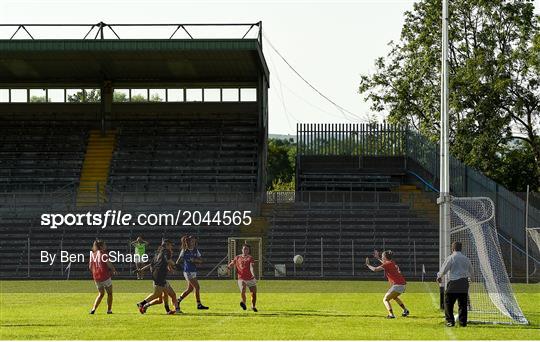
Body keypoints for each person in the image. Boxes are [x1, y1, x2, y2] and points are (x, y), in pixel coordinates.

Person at [136, 240, 180, 314]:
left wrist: (141, 269)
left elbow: (151, 264)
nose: (171, 247)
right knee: (157, 294)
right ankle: (142, 304)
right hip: (160, 276)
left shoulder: (158, 253)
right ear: (166, 245)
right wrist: (175, 265)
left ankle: (168, 310)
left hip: (157, 275)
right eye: (170, 245)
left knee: (168, 293)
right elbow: (168, 260)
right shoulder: (166, 252)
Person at [437, 241, 473, 327]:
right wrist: (472, 279)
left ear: (452, 248)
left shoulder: (451, 258)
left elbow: (444, 269)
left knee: (448, 302)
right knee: (463, 304)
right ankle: (463, 323)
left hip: (454, 282)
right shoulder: (466, 258)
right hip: (464, 282)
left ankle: (450, 321)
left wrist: (439, 276)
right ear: (461, 248)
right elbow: (471, 271)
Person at [366, 250, 409, 319]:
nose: (382, 257)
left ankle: (391, 315)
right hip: (402, 285)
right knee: (394, 297)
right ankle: (405, 310)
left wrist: (368, 265)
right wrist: (378, 258)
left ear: (385, 257)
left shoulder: (387, 264)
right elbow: (384, 264)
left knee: (385, 299)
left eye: (383, 256)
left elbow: (375, 269)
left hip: (397, 285)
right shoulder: (391, 262)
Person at [175, 235, 209, 310]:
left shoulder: (195, 250)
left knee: (190, 289)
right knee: (197, 287)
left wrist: (195, 260)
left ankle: (178, 301)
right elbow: (178, 261)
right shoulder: (184, 250)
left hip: (193, 271)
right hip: (188, 271)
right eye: (192, 241)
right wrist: (179, 265)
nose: (193, 242)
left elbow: (201, 260)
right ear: (189, 242)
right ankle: (199, 304)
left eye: (194, 241)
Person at [89, 240, 117, 314]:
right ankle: (109, 310)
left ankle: (93, 309)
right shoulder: (103, 254)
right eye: (104, 245)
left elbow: (90, 267)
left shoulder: (93, 254)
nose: (105, 246)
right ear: (101, 246)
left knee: (101, 294)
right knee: (109, 293)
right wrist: (114, 270)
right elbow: (109, 264)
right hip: (105, 276)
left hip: (96, 278)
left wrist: (95, 272)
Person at [227, 243, 258, 312]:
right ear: (242, 250)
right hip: (241, 278)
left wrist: (254, 276)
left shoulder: (250, 258)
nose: (245, 250)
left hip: (250, 278)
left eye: (246, 249)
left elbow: (251, 267)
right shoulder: (237, 257)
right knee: (243, 290)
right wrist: (229, 267)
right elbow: (232, 263)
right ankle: (243, 303)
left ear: (248, 250)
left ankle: (253, 306)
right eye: (244, 249)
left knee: (253, 293)